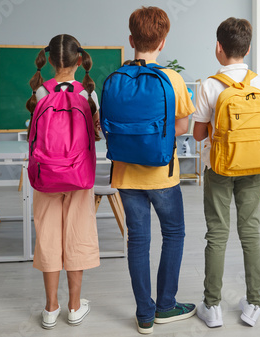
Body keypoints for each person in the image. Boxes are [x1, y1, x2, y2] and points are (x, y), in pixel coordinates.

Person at [110, 6, 196, 335]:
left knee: (138, 242)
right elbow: (182, 125)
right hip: (162, 174)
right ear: (162, 42)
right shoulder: (172, 79)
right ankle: (166, 305)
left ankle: (144, 313)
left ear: (131, 39)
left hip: (126, 176)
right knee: (173, 235)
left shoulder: (115, 78)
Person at [193, 17, 260, 328]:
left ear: (218, 48)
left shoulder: (209, 85)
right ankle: (254, 302)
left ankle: (212, 306)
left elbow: (199, 134)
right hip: (255, 167)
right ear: (249, 49)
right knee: (251, 232)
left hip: (220, 167)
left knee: (217, 234)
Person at [26, 34, 101, 329]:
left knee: (47, 235)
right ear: (79, 60)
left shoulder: (40, 93)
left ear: (50, 62)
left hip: (46, 175)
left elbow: (32, 136)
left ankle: (49, 308)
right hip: (79, 175)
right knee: (77, 233)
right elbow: (95, 135)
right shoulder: (87, 95)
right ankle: (73, 306)